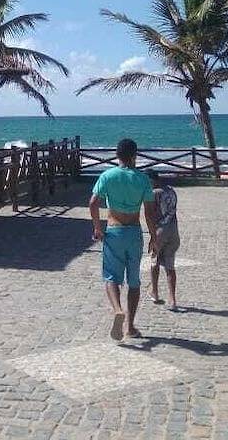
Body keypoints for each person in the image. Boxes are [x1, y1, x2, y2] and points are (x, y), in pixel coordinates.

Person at [89, 138, 160, 341]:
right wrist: (153, 237)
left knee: (111, 277)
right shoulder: (142, 179)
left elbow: (93, 202)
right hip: (134, 233)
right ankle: (130, 326)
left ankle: (117, 309)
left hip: (114, 231)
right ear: (134, 155)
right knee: (134, 280)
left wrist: (97, 228)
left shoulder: (108, 176)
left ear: (117, 155)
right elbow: (149, 213)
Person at [149, 173, 180, 311]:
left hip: (160, 230)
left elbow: (151, 215)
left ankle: (155, 292)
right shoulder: (171, 191)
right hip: (173, 230)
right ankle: (172, 299)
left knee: (154, 261)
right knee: (170, 265)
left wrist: (152, 236)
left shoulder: (154, 193)